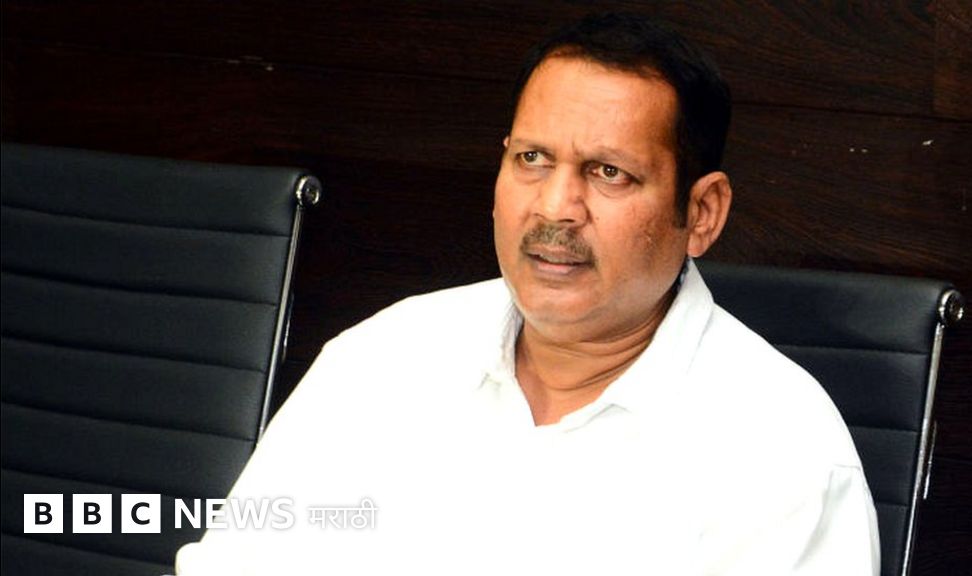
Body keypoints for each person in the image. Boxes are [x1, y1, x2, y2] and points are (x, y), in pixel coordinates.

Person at [176, 12, 879, 575]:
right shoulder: (383, 357)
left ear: (701, 214)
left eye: (608, 172)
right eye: (532, 159)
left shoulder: (780, 451)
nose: (554, 207)